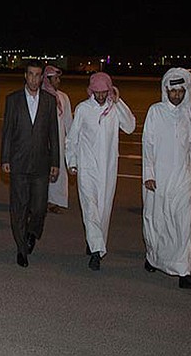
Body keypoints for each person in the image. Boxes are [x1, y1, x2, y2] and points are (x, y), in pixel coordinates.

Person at [65, 72, 136, 271]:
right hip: (87, 168)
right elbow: (72, 139)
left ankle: (95, 241)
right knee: (90, 207)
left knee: (104, 209)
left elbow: (130, 127)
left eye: (104, 92)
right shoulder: (83, 109)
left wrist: (119, 102)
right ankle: (97, 251)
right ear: (91, 91)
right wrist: (72, 162)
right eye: (97, 92)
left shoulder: (114, 109)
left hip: (108, 168)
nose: (101, 96)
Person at [142, 68, 191, 290]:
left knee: (184, 224)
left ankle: (184, 271)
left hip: (184, 179)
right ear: (166, 90)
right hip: (160, 178)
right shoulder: (155, 112)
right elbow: (147, 144)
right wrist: (149, 174)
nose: (177, 95)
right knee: (158, 221)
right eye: (173, 91)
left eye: (180, 91)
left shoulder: (189, 113)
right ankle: (153, 258)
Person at [0, 59, 59, 268]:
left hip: (42, 164)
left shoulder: (50, 101)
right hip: (18, 162)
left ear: (42, 77)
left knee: (39, 207)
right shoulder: (13, 99)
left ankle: (33, 232)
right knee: (19, 207)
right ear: (25, 76)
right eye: (31, 74)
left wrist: (55, 162)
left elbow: (53, 132)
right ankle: (21, 249)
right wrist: (4, 158)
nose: (34, 79)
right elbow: (7, 131)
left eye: (38, 75)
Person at [42, 66, 73, 214]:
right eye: (55, 78)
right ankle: (40, 200)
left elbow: (68, 122)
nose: (58, 81)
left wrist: (71, 143)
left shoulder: (63, 98)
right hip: (41, 140)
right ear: (48, 80)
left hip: (59, 140)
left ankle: (55, 201)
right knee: (41, 170)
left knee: (58, 170)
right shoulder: (40, 96)